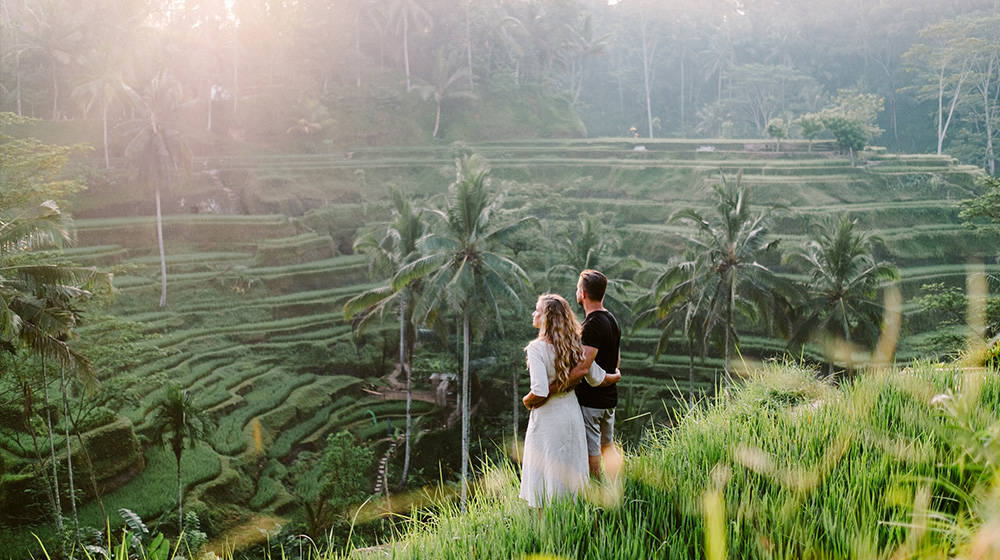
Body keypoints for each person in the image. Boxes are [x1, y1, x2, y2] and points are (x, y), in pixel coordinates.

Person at [519, 294, 620, 509]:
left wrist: (527, 401)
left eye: (537, 310)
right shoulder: (575, 345)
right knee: (570, 471)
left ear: (546, 317)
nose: (533, 313)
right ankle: (570, 521)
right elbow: (597, 377)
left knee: (544, 473)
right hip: (571, 413)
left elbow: (539, 390)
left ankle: (545, 531)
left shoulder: (536, 349)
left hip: (547, 417)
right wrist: (616, 376)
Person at [567, 269, 622, 480]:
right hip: (609, 399)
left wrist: (557, 387)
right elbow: (616, 361)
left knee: (592, 452)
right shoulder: (612, 320)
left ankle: (598, 495)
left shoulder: (591, 326)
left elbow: (583, 367)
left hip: (592, 402)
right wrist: (613, 376)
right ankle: (618, 485)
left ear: (583, 294)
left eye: (577, 289)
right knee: (607, 445)